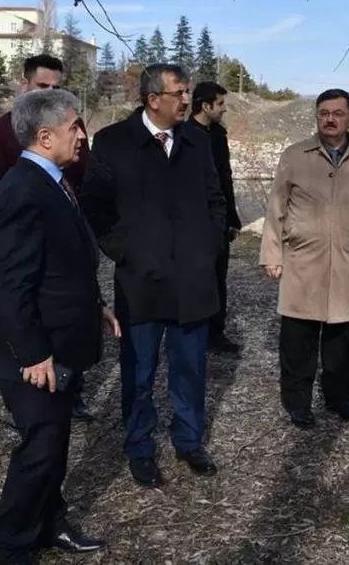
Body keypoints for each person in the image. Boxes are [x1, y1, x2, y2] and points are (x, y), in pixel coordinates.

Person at [0, 89, 120, 564]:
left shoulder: (54, 181)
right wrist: (32, 353)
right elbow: (11, 286)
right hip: (36, 355)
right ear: (45, 136)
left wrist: (96, 304)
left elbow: (66, 262)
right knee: (38, 452)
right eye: (75, 127)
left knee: (54, 444)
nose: (83, 136)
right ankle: (10, 548)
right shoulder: (21, 190)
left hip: (63, 340)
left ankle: (49, 523)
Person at [80, 63, 227, 488]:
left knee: (190, 369)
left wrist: (207, 248)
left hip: (192, 282)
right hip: (140, 282)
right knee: (139, 372)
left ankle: (189, 440)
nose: (186, 99)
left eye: (188, 91)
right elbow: (95, 207)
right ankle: (140, 447)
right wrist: (126, 252)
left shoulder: (198, 142)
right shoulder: (112, 142)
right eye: (179, 92)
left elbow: (216, 199)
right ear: (153, 99)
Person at [259, 88, 349, 428]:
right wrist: (271, 254)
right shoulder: (295, 156)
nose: (331, 118)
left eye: (338, 112)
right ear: (316, 116)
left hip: (348, 267)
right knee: (298, 343)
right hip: (303, 264)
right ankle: (298, 404)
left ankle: (340, 399)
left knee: (344, 346)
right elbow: (276, 208)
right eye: (324, 112)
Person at [0, 53, 94, 421]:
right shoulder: (2, 134)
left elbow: (81, 179)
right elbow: (0, 193)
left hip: (65, 225)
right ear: (24, 84)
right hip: (32, 232)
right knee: (41, 439)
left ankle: (67, 393)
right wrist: (31, 351)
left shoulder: (70, 129)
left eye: (56, 86)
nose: (50, 91)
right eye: (43, 85)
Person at [190, 81, 243, 355]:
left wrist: (233, 217)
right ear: (205, 105)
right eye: (220, 104)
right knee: (195, 278)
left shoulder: (219, 135)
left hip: (220, 220)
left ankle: (215, 333)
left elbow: (226, 178)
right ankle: (193, 332)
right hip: (194, 222)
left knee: (218, 278)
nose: (224, 110)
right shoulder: (183, 135)